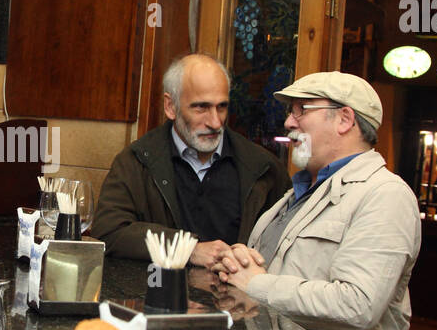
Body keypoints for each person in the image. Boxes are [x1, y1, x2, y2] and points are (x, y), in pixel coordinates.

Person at [214, 72, 421, 330]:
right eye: (290, 111)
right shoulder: (298, 192)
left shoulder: (386, 195)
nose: (289, 122)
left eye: (301, 110)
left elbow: (357, 307)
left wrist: (257, 284)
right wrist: (240, 260)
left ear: (344, 119)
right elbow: (277, 271)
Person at [89, 53, 290, 266]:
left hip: (237, 297)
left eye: (221, 107)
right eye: (201, 107)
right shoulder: (137, 161)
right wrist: (188, 250)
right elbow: (109, 231)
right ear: (171, 107)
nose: (215, 122)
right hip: (157, 295)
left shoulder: (263, 168)